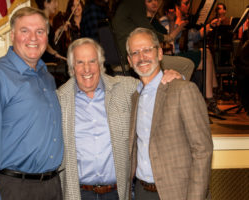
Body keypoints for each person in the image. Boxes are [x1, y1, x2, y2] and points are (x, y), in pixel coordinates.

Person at [57, 37, 189, 200]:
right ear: (71, 67)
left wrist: (175, 77)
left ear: (100, 64)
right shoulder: (60, 99)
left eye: (92, 61)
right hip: (79, 193)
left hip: (118, 192)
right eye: (80, 62)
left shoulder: (125, 88)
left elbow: (154, 85)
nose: (87, 69)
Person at [0, 7, 63, 200]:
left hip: (52, 186)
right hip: (14, 190)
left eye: (40, 31)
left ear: (47, 37)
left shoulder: (47, 77)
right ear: (12, 35)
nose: (33, 38)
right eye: (24, 31)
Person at [126, 27, 213, 200]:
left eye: (147, 50)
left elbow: (203, 150)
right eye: (135, 52)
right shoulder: (135, 96)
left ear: (159, 53)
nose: (141, 57)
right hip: (142, 192)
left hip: (178, 193)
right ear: (129, 61)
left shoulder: (183, 90)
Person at [173, 0, 223, 115]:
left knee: (206, 53)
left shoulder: (187, 20)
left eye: (189, 3)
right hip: (177, 55)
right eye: (186, 3)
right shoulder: (171, 20)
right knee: (206, 53)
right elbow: (171, 38)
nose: (188, 6)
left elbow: (195, 37)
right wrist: (178, 24)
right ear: (177, 6)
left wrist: (209, 25)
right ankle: (211, 95)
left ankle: (211, 97)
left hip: (188, 53)